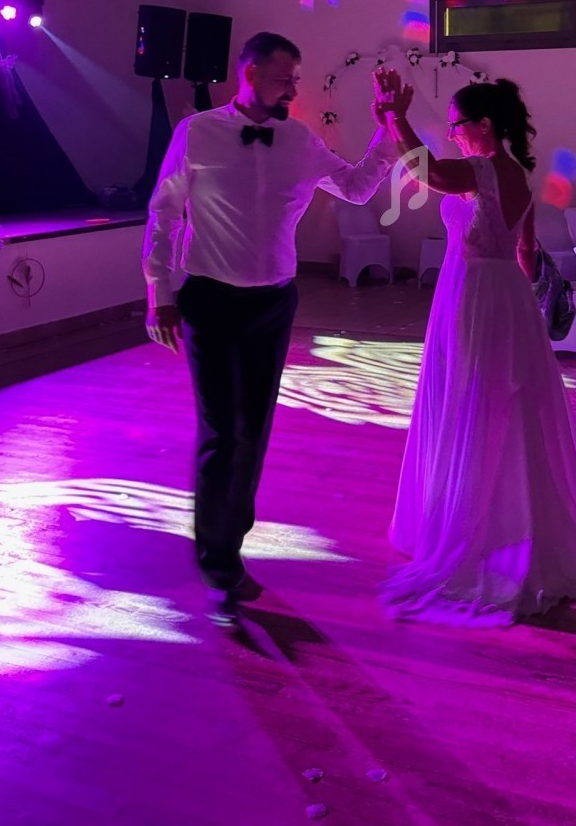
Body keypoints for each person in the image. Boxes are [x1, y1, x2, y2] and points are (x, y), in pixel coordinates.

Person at [373, 69, 576, 627]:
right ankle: (502, 516)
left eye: (458, 125)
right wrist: (526, 314)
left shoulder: (483, 170)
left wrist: (397, 118)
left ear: (484, 125)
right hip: (501, 296)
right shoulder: (514, 173)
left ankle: (477, 524)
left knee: (472, 401)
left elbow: (427, 173)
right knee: (500, 406)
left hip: (475, 294)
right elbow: (526, 249)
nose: (454, 134)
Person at [143, 32, 396, 619]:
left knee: (253, 430)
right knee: (221, 431)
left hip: (274, 303)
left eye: (295, 80)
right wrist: (161, 293)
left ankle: (230, 544)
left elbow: (357, 188)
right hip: (209, 299)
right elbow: (164, 213)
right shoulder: (197, 132)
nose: (292, 89)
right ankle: (218, 563)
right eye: (285, 78)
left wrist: (386, 128)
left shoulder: (300, 140)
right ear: (251, 73)